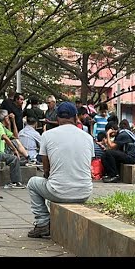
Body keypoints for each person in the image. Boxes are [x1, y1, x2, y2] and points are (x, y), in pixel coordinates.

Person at [26, 102, 94, 238]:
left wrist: (50, 175)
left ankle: (42, 223)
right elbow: (87, 164)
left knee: (33, 183)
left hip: (59, 191)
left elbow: (46, 168)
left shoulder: (47, 135)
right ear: (76, 117)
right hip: (84, 191)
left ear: (57, 118)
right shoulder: (88, 137)